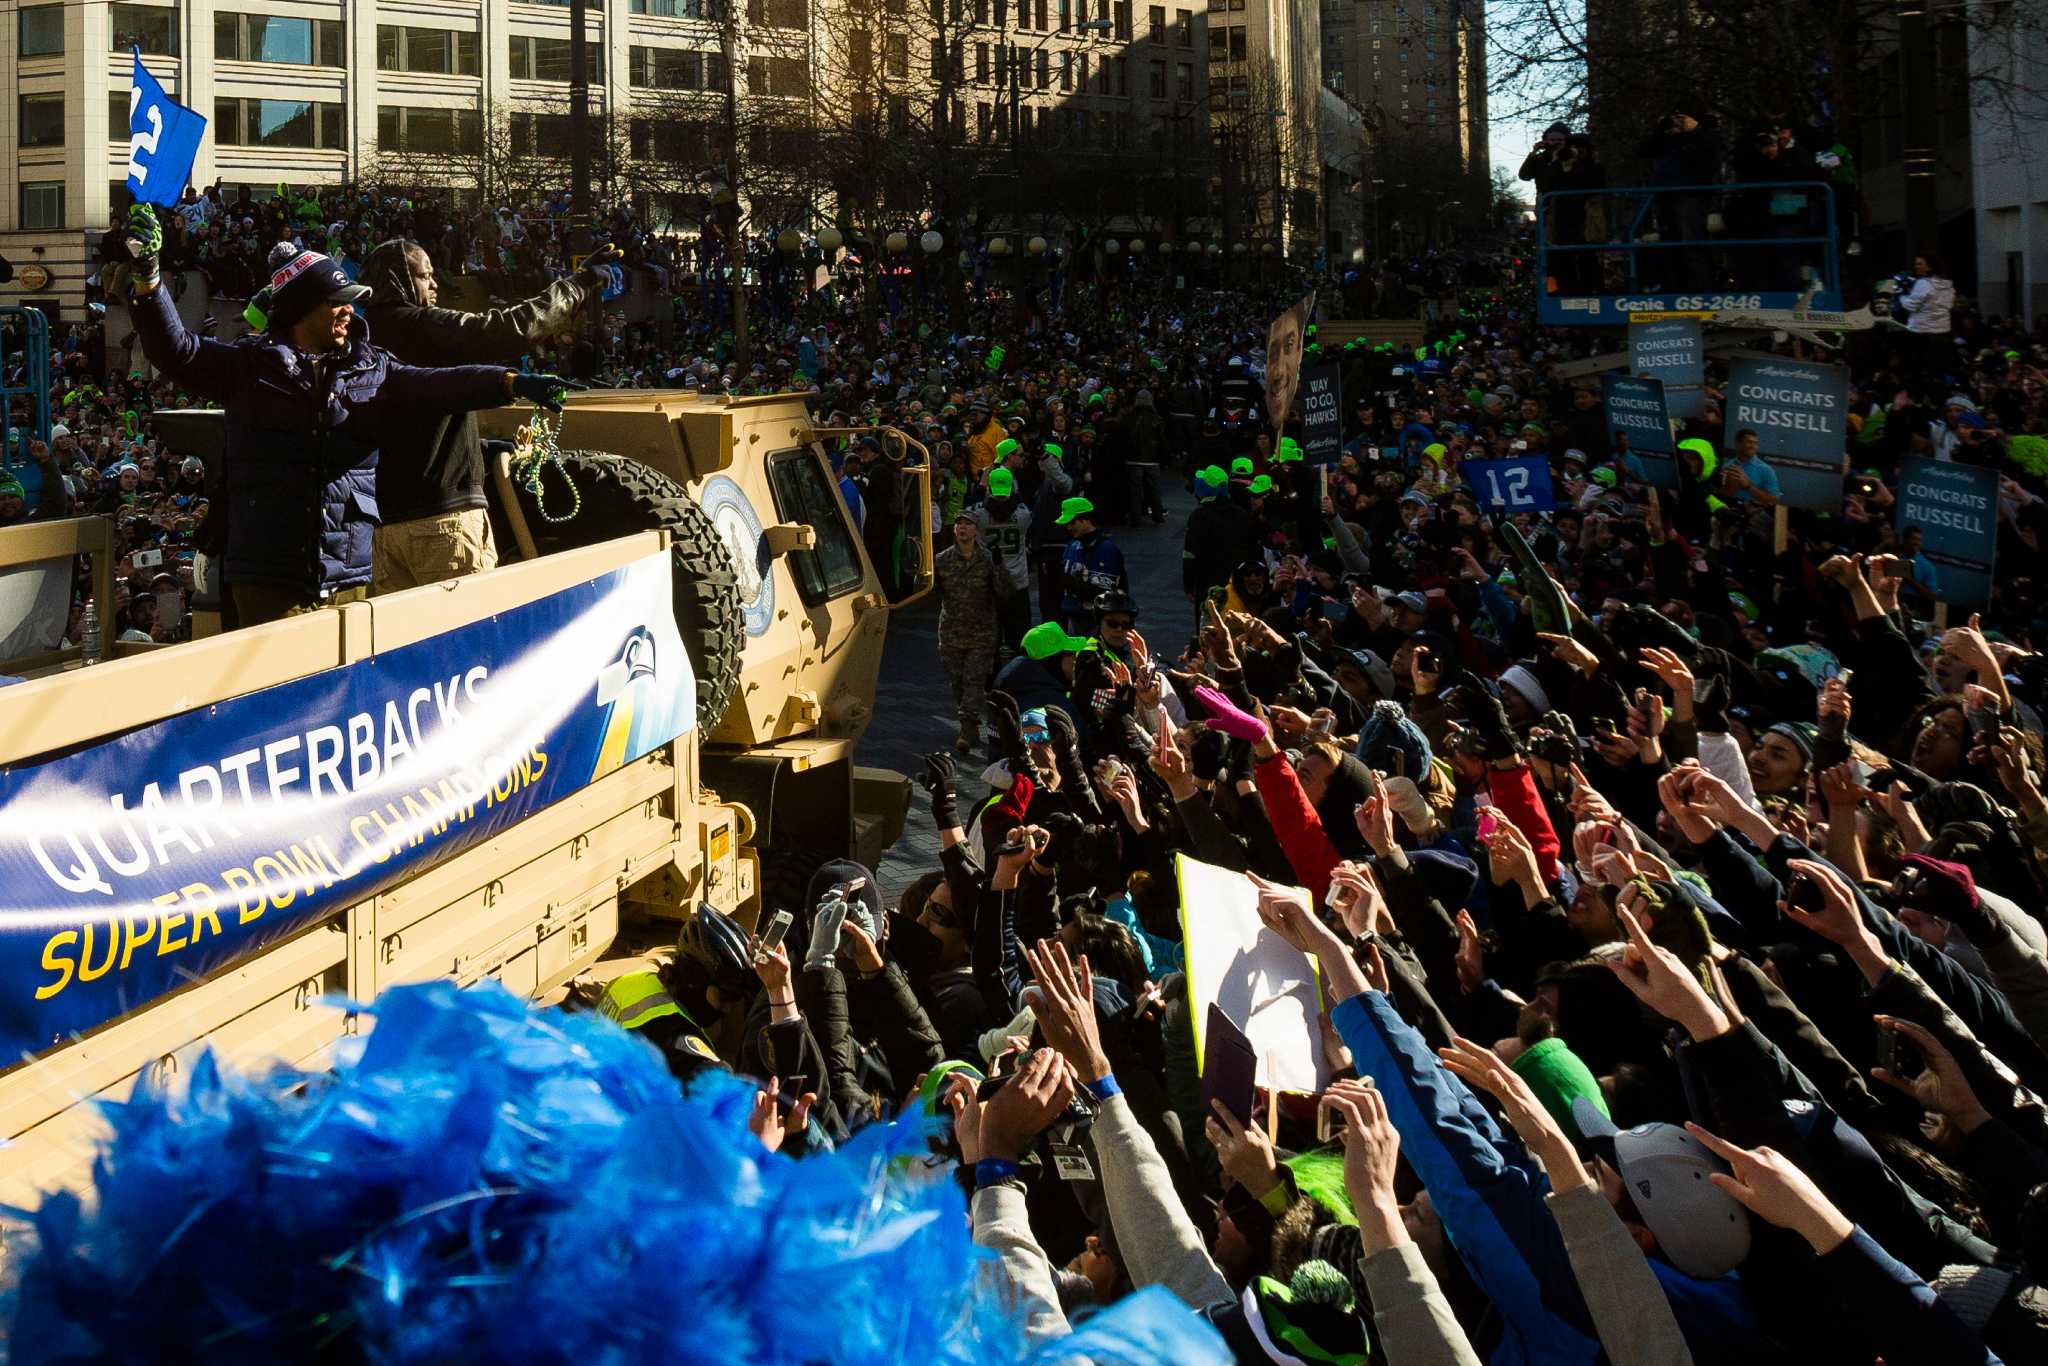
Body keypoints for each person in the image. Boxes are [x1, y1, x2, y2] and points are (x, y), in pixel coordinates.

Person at [119, 205, 576, 625]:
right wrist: (149, 282)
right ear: (302, 310)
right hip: (273, 579)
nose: (348, 311)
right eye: (336, 301)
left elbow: (436, 384)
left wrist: (509, 383)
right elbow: (177, 351)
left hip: (350, 577)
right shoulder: (248, 368)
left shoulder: (370, 365)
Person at [357, 237, 613, 593]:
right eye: (424, 275)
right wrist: (576, 286)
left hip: (382, 533)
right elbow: (508, 329)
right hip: (441, 523)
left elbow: (411, 415)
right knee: (468, 640)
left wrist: (479, 447)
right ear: (398, 280)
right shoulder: (421, 326)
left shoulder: (357, 340)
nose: (435, 284)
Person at [935, 509, 1001, 757]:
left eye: (968, 524)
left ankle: (966, 728)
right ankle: (970, 723)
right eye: (958, 524)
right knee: (958, 682)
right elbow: (929, 589)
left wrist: (1000, 566)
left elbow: (1005, 592)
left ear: (976, 530)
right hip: (951, 632)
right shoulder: (941, 560)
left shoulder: (986, 559)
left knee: (974, 680)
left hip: (981, 633)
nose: (962, 528)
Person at [974, 464, 1034, 661]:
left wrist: (983, 488)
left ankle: (991, 680)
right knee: (1019, 639)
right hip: (1017, 582)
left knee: (990, 639)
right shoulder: (1023, 516)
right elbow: (1020, 504)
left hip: (989, 582)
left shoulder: (978, 516)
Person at [1056, 496, 1126, 633]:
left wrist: (1072, 584)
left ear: (1085, 521)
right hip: (1073, 617)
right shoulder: (1072, 545)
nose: (1069, 527)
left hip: (1094, 622)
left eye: (1072, 523)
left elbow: (1107, 594)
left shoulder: (1106, 550)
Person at [1124, 390, 1169, 528]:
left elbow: (1125, 440)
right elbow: (1162, 441)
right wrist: (1165, 458)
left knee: (1135, 491)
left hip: (1133, 459)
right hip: (1152, 459)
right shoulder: (1156, 419)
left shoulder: (1129, 418)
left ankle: (1135, 518)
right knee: (1154, 489)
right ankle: (1157, 515)